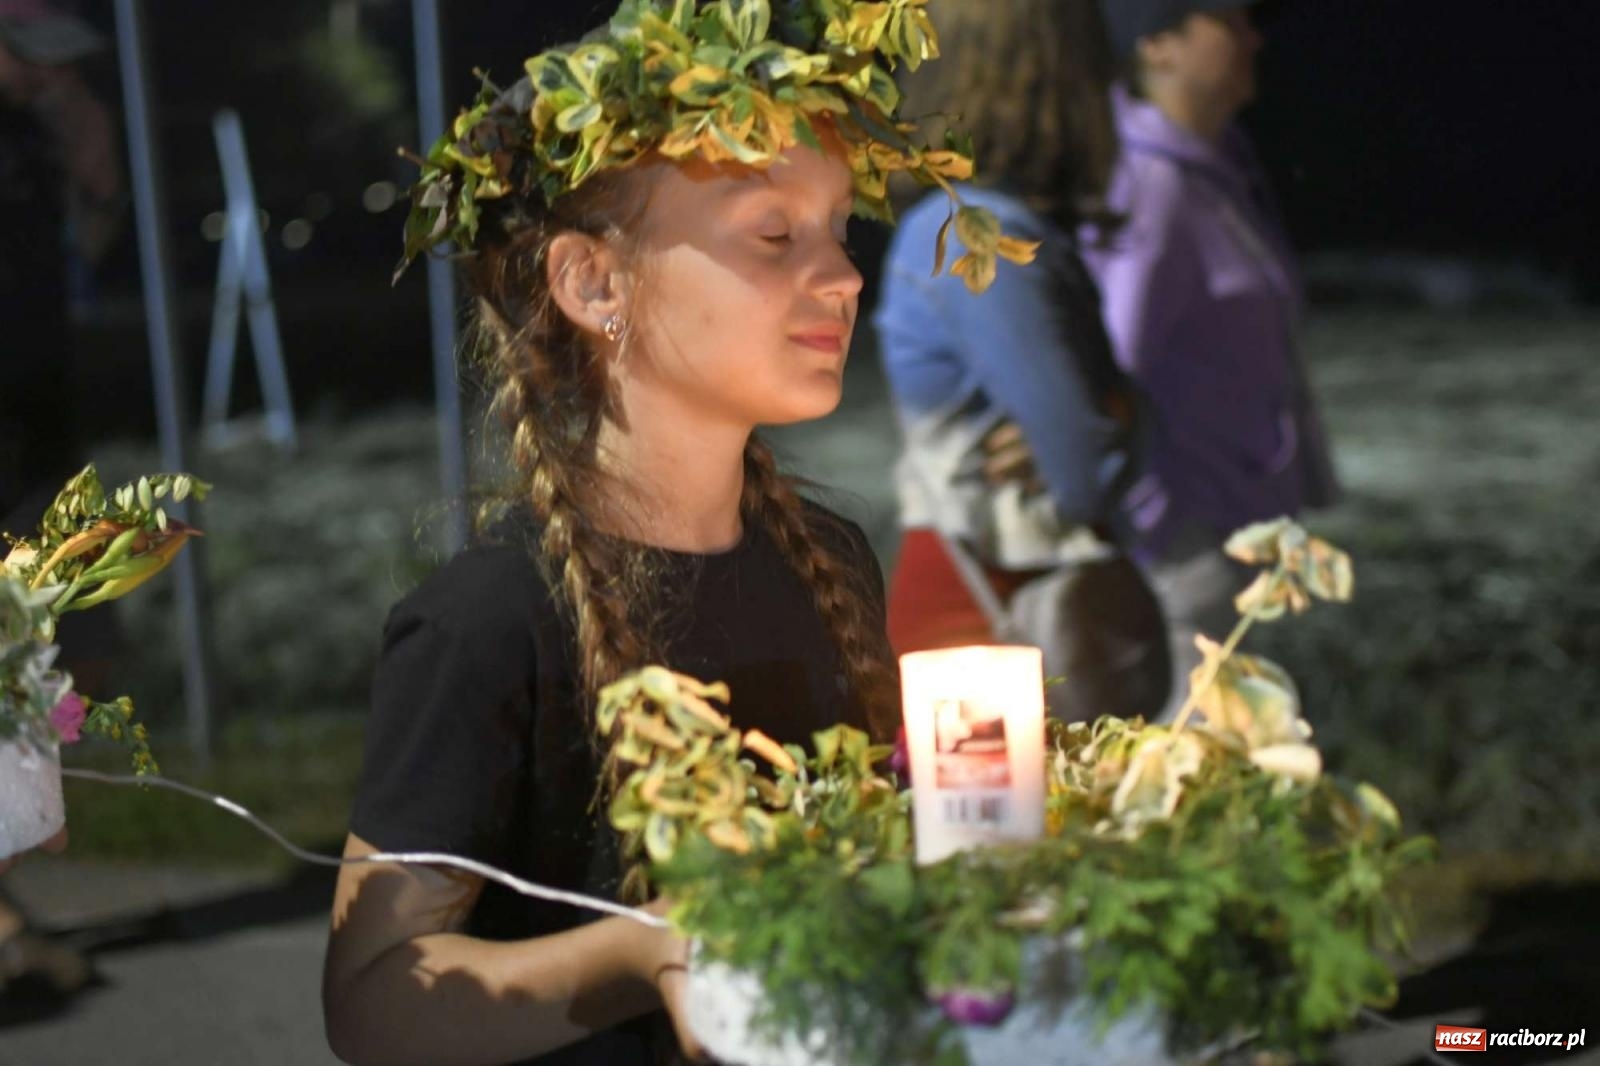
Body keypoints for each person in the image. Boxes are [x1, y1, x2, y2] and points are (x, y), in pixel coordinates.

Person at [321, 3, 1019, 1063]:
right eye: (775, 232)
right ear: (593, 282)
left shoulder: (826, 558)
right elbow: (375, 1002)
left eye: (839, 229)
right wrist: (646, 952)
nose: (843, 275)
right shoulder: (490, 622)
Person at [874, 0, 1170, 723]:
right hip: (995, 611)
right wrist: (1118, 417)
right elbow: (1086, 473)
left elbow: (1089, 437)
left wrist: (1115, 415)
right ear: (1055, 75)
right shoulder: (985, 238)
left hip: (974, 595)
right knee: (1018, 833)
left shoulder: (964, 225)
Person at [1085, 0, 1339, 716]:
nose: (1254, 35)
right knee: (1203, 759)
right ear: (1158, 45)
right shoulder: (1153, 187)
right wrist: (1156, 525)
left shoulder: (1216, 171)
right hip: (1186, 542)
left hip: (1234, 530)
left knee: (1233, 751)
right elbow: (1113, 363)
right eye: (1228, 20)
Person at [0, 0, 120, 1008]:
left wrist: (91, 151)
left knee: (37, 697)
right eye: (27, 61)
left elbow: (95, 223)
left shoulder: (36, 137)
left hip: (35, 447)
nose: (46, 77)